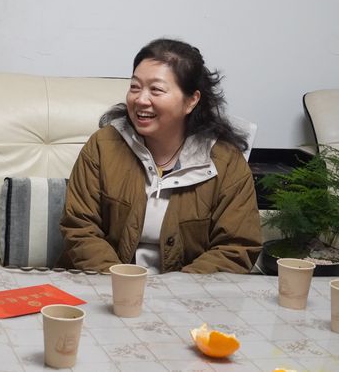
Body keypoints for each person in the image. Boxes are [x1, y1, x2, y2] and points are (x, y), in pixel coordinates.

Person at [57, 38, 261, 274]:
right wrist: (122, 281)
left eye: (156, 90)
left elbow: (236, 246)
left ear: (191, 101)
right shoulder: (103, 146)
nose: (141, 100)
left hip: (189, 291)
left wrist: (177, 288)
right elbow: (80, 227)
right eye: (135, 87)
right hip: (106, 282)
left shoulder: (226, 162)